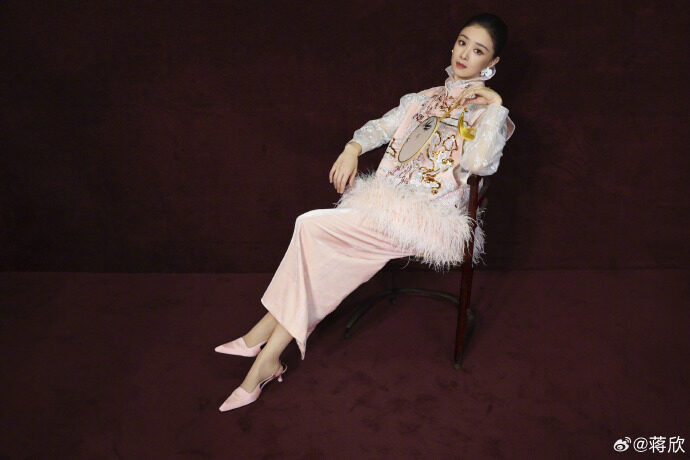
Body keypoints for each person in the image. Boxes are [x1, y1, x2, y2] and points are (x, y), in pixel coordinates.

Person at [217, 13, 516, 412]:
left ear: (491, 63)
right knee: (315, 246)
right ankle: (265, 351)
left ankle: (263, 346)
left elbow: (480, 164)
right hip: (384, 201)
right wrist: (352, 149)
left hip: (428, 217)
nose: (465, 54)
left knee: (309, 227)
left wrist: (495, 106)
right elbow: (379, 127)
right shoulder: (423, 98)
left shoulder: (491, 115)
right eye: (462, 42)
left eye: (478, 50)